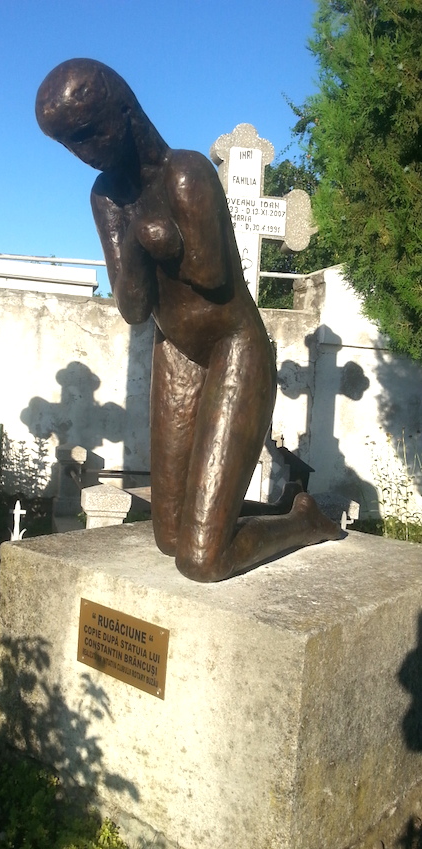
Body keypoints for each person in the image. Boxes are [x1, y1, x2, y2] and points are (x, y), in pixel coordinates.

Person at [36, 59, 341, 583]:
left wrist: (161, 239)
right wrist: (138, 243)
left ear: (123, 111)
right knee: (170, 537)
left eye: (86, 133)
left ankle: (303, 522)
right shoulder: (106, 198)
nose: (82, 153)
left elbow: (212, 275)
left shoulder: (187, 171)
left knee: (201, 560)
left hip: (233, 345)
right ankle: (257, 515)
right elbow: (134, 309)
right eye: (68, 144)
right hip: (176, 349)